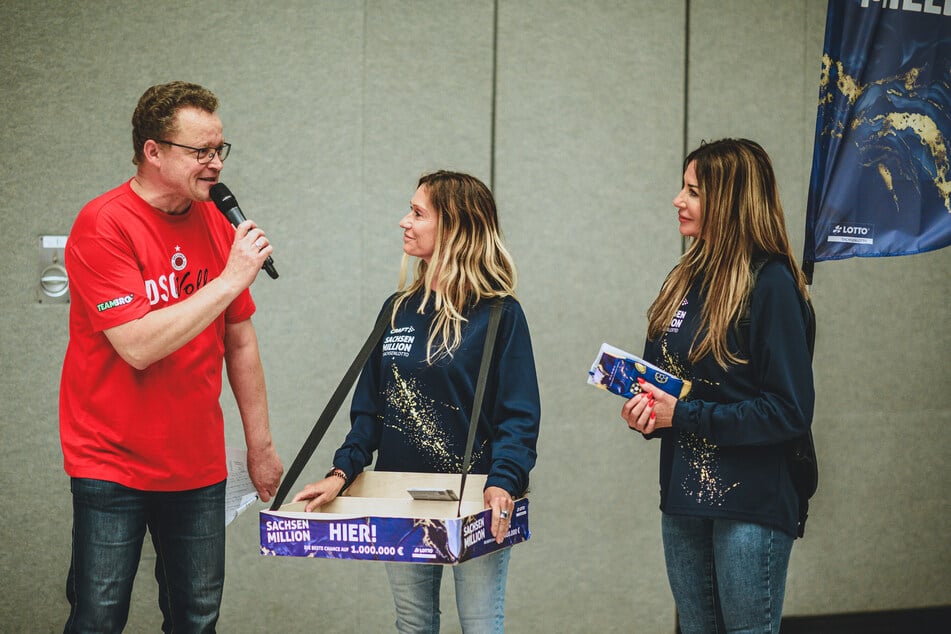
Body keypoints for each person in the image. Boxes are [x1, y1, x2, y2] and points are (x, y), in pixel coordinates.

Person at [59, 81, 283, 633]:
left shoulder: (214, 218)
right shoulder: (104, 224)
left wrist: (261, 447)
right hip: (111, 463)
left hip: (197, 465)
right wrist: (230, 278)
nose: (215, 165)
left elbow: (240, 341)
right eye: (200, 152)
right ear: (153, 151)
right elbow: (137, 345)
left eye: (219, 150)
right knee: (98, 618)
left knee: (197, 617)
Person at [293, 170, 541, 634]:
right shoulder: (397, 309)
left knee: (481, 626)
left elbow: (519, 416)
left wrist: (504, 482)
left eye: (417, 213)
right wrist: (340, 473)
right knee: (412, 623)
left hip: (477, 500)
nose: (403, 221)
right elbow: (369, 411)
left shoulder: (500, 314)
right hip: (399, 496)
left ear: (454, 227)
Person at [621, 139, 815, 634]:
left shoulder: (770, 284)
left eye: (693, 192)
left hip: (751, 506)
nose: (677, 201)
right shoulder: (683, 278)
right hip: (684, 500)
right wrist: (646, 413)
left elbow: (788, 411)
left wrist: (680, 415)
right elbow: (664, 385)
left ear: (728, 202)